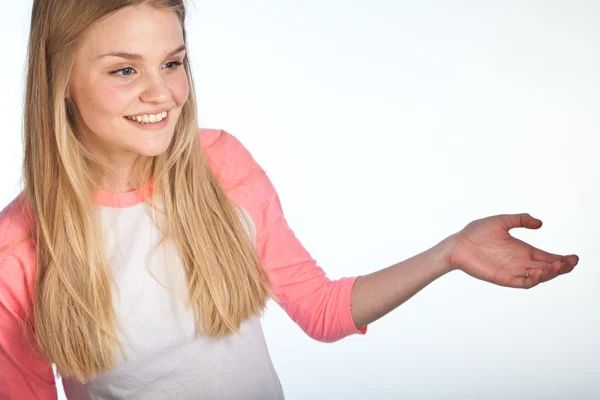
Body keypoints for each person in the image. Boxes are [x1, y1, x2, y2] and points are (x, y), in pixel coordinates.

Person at [0, 1, 579, 399]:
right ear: (61, 79)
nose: (164, 93)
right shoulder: (20, 248)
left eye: (173, 62)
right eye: (124, 69)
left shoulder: (219, 165)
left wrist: (448, 253)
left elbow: (321, 311)